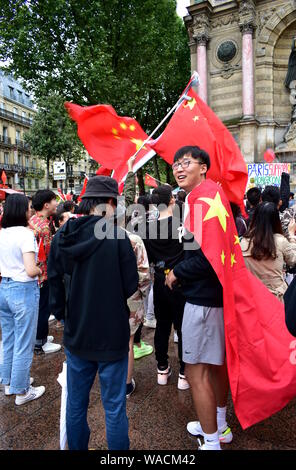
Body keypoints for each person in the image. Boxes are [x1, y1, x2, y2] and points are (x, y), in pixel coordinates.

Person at [47, 176, 138, 450]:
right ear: (110, 203)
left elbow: (53, 279)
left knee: (76, 405)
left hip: (78, 332)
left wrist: (62, 313)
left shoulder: (63, 235)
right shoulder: (118, 238)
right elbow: (130, 285)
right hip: (112, 333)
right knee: (114, 408)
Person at [165, 146, 232, 450]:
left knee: (195, 370)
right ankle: (219, 427)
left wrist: (175, 272)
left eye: (186, 163)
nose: (179, 169)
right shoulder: (209, 193)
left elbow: (207, 258)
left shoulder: (202, 197)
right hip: (214, 295)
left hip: (202, 300)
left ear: (203, 167)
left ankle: (211, 441)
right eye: (176, 164)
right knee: (215, 365)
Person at [0, 194, 45, 405]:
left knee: (9, 339)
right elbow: (30, 270)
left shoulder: (2, 233)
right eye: (28, 207)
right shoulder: (26, 235)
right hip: (23, 290)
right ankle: (22, 390)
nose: (30, 211)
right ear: (20, 211)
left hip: (4, 287)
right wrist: (41, 270)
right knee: (24, 341)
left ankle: (9, 383)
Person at [144, 185, 189, 389]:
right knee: (182, 328)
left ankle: (162, 368)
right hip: (181, 280)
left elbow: (149, 258)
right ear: (171, 199)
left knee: (162, 326)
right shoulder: (182, 224)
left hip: (160, 281)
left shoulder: (147, 228)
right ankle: (183, 373)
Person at [241, 202, 296, 301]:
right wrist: (291, 235)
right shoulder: (280, 241)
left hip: (251, 298)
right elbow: (294, 259)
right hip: (275, 298)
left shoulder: (243, 242)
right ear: (276, 220)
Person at [30, 190, 61, 354]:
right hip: (42, 274)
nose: (57, 203)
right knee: (43, 307)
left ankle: (40, 337)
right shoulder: (43, 227)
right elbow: (49, 254)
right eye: (54, 200)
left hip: (34, 273)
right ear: (46, 205)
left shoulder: (33, 220)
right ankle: (39, 342)